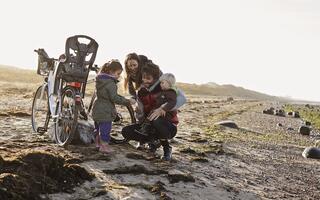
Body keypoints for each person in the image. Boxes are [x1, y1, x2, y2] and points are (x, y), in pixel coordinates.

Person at [121, 64, 178, 161]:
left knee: (157, 121)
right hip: (149, 125)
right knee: (126, 131)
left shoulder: (165, 90)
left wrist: (163, 108)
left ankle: (166, 148)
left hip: (167, 126)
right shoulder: (142, 91)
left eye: (148, 79)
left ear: (156, 79)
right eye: (144, 78)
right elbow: (141, 111)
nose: (145, 81)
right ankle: (152, 141)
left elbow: (175, 101)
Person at [92, 60, 135, 153]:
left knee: (97, 128)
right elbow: (114, 97)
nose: (119, 76)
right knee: (105, 129)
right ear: (111, 72)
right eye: (118, 73)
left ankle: (97, 144)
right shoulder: (110, 83)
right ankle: (104, 147)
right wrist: (127, 101)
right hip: (105, 110)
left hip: (96, 107)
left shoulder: (100, 80)